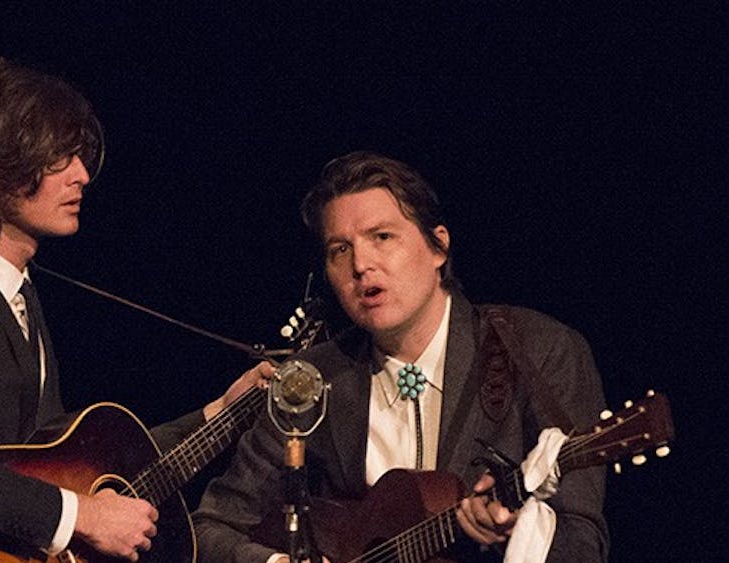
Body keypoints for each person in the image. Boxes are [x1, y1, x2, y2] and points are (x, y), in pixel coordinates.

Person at [0, 56, 273, 562]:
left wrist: (220, 414)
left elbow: (69, 468)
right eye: (58, 157)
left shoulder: (19, 293)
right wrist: (85, 517)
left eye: (79, 156)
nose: (81, 176)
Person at [193, 152, 609, 562]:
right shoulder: (314, 380)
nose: (360, 264)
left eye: (382, 237)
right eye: (340, 249)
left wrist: (515, 534)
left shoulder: (537, 349)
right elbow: (211, 528)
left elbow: (582, 540)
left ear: (438, 247)